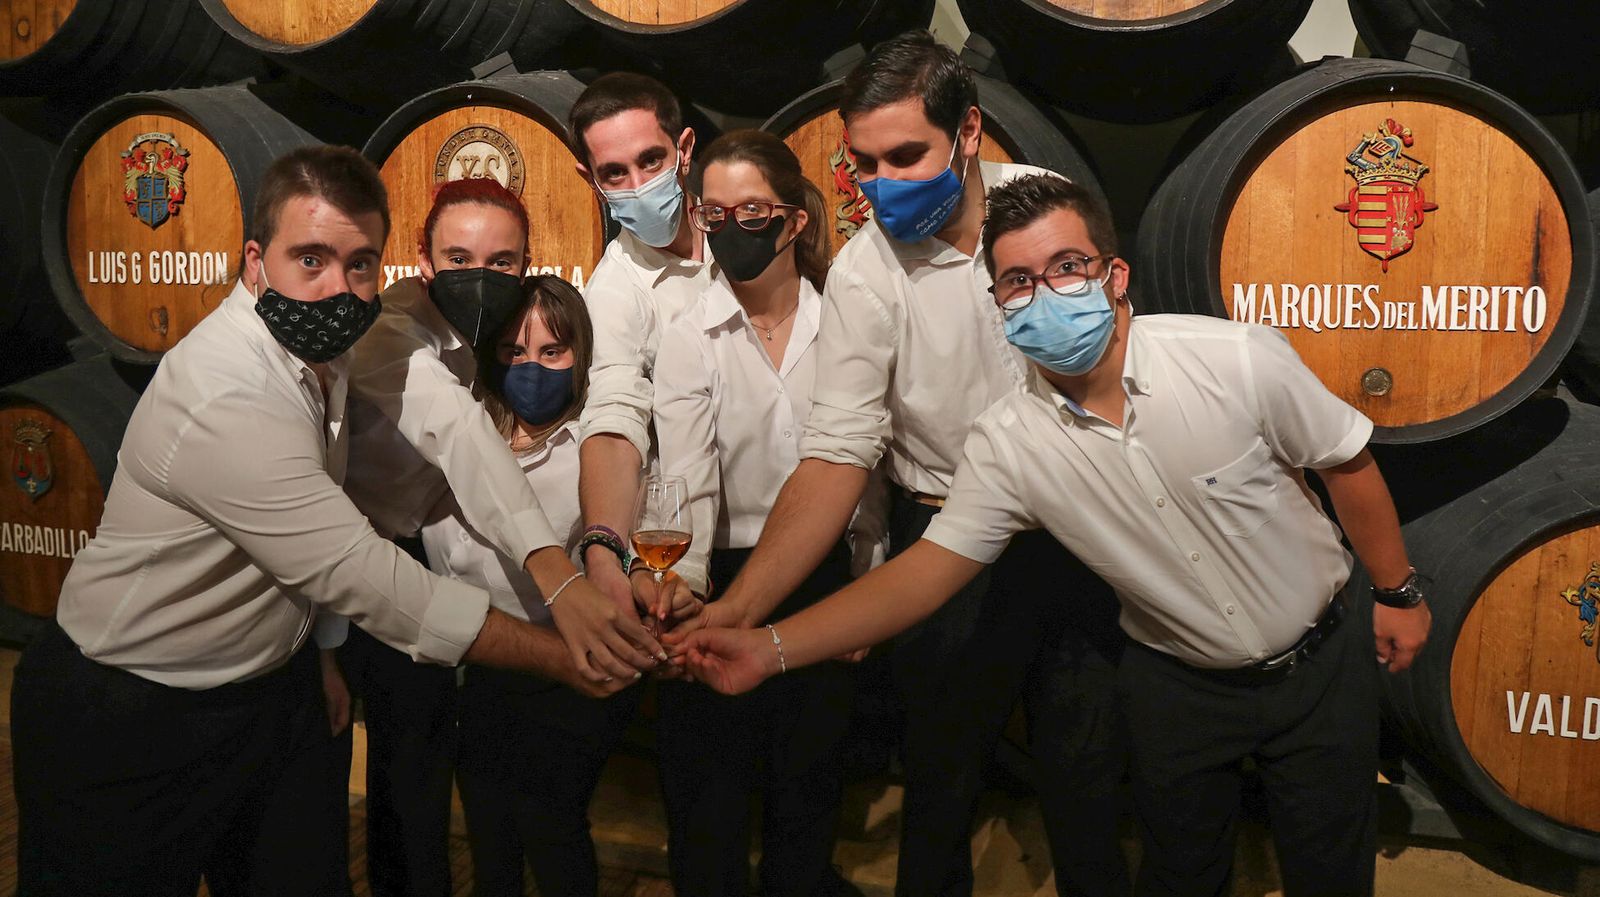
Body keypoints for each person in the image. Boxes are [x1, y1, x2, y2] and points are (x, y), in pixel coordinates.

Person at [677, 173, 1434, 897]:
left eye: (1067, 266)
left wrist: (1398, 590)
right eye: (1018, 281)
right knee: (1179, 872)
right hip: (1179, 684)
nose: (1044, 292)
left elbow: (1346, 463)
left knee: (1330, 874)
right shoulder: (1009, 442)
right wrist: (769, 648)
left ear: (1114, 276)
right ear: (999, 305)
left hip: (1321, 667)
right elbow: (923, 574)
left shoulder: (1234, 359)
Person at [9, 145, 626, 897]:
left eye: (360, 263)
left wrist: (320, 651)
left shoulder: (346, 338)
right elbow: (364, 573)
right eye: (311, 258)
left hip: (270, 688)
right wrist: (567, 651)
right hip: (132, 708)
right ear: (254, 262)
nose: (338, 287)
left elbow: (450, 429)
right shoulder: (228, 396)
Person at [665, 30, 1130, 897]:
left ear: (970, 133)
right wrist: (738, 608)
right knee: (942, 780)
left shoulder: (1047, 214)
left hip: (1077, 525)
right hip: (942, 528)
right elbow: (838, 453)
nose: (882, 185)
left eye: (906, 155)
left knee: (1088, 770)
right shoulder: (866, 274)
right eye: (864, 164)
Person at [333, 176, 663, 897]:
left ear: (524, 264)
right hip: (353, 559)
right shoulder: (394, 329)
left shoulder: (504, 355)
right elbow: (457, 436)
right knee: (396, 791)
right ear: (421, 262)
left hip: (443, 590)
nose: (479, 277)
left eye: (501, 262)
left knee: (446, 791)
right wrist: (560, 575)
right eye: (457, 257)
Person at [652, 129, 879, 896]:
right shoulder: (689, 336)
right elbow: (688, 476)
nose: (730, 228)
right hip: (719, 573)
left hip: (824, 576)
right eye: (713, 213)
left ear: (795, 220)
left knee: (807, 789)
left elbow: (866, 468)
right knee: (707, 802)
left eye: (752, 209)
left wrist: (865, 587)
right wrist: (685, 588)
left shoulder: (847, 322)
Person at [419, 275, 696, 896]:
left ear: (581, 357)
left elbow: (639, 552)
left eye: (551, 352)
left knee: (548, 820)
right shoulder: (460, 429)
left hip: (575, 661)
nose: (532, 367)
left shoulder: (599, 449)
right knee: (487, 830)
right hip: (477, 661)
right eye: (515, 352)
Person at [568, 72, 717, 606]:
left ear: (684, 149)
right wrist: (603, 549)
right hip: (693, 558)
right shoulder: (613, 290)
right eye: (615, 173)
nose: (637, 185)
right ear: (591, 180)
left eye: (650, 161)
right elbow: (613, 416)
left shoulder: (746, 228)